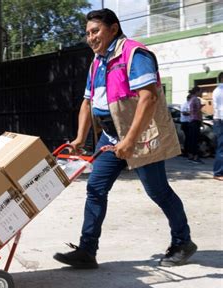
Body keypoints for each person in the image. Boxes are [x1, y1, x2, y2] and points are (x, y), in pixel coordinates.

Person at [53, 8, 197, 269]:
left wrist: (130, 140)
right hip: (110, 136)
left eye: (95, 31)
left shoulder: (134, 53)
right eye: (87, 33)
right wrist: (79, 138)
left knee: (158, 191)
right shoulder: (97, 62)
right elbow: (87, 103)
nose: (90, 38)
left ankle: (183, 241)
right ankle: (87, 250)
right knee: (95, 188)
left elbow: (149, 98)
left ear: (114, 28)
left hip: (139, 136)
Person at [187, 86, 204, 164]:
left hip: (191, 121)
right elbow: (198, 112)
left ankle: (190, 156)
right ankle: (196, 157)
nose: (201, 93)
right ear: (197, 92)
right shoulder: (196, 99)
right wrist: (202, 122)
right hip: (196, 121)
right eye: (200, 91)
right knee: (196, 139)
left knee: (191, 139)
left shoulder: (191, 99)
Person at [213, 72, 223, 181]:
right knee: (221, 148)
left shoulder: (216, 90)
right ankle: (218, 172)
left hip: (218, 119)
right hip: (221, 120)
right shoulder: (220, 90)